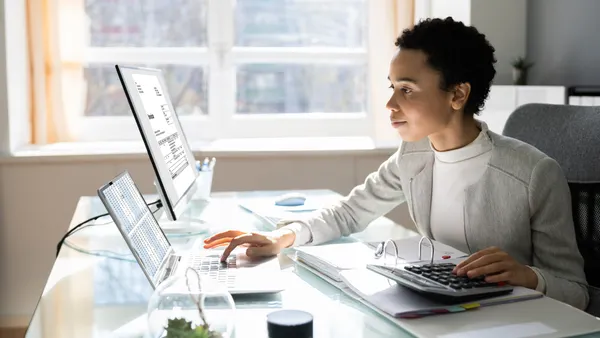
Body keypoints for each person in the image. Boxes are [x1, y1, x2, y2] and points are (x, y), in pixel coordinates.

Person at [204, 17, 589, 310]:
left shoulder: (535, 174)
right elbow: (350, 212)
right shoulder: (414, 155)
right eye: (392, 87)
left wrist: (529, 276)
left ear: (458, 94)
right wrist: (282, 237)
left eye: (407, 90)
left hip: (513, 323)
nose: (390, 105)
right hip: (443, 311)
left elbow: (578, 292)